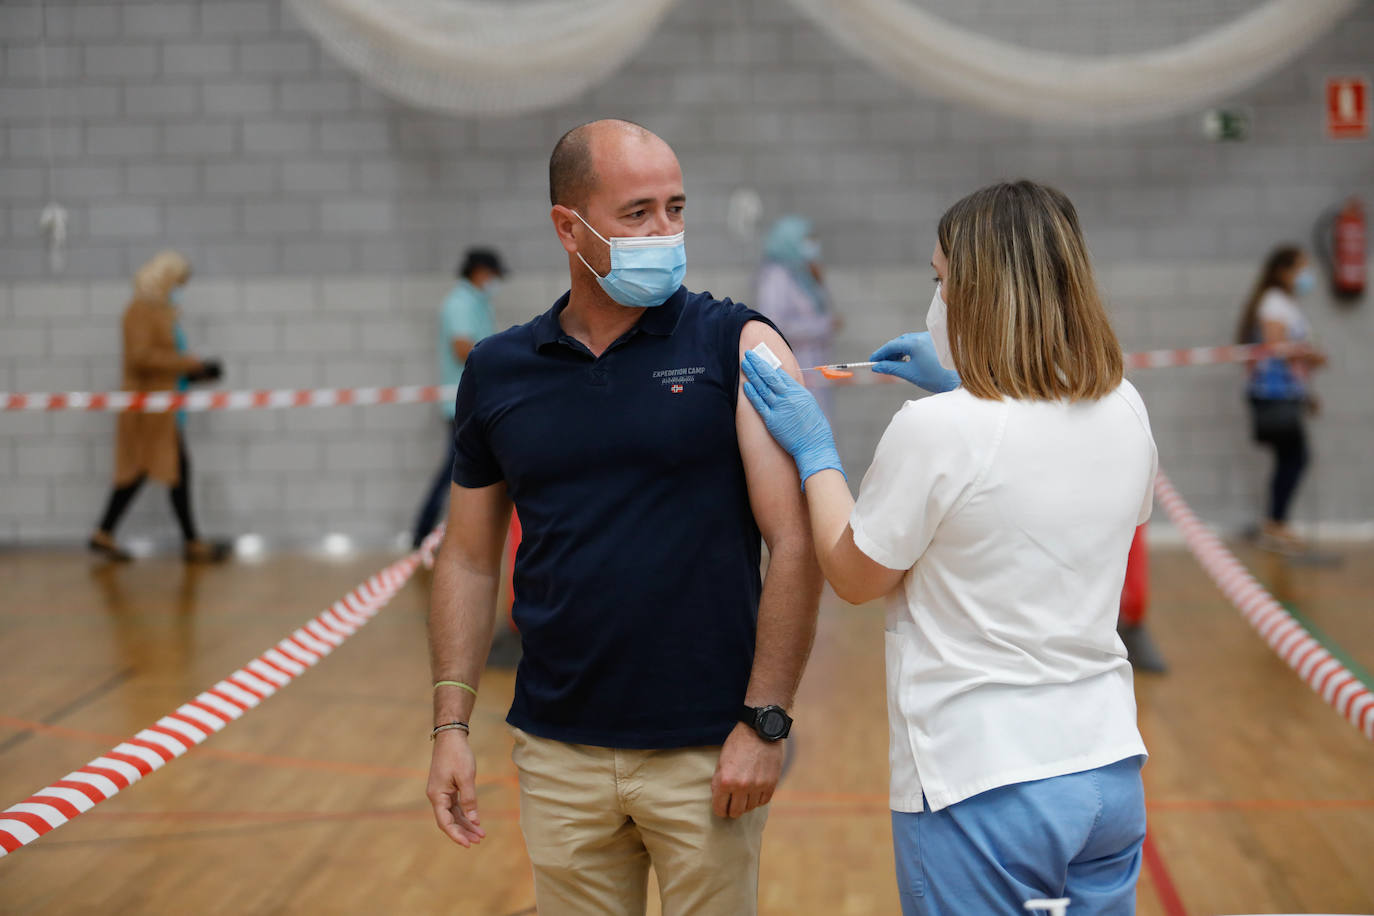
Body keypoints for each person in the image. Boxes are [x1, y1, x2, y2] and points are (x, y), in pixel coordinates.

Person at [425, 119, 822, 916]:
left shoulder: (735, 343)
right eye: (637, 213)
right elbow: (468, 558)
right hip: (557, 747)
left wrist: (766, 722)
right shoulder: (500, 371)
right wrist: (450, 724)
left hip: (708, 749)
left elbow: (796, 541)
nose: (665, 233)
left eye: (675, 208)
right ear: (568, 228)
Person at [741, 180, 1156, 914]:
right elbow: (1046, 468)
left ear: (980, 290)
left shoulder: (938, 429)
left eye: (940, 280)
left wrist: (815, 450)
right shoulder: (1124, 404)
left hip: (982, 780)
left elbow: (854, 571)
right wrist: (963, 381)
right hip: (1108, 773)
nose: (934, 298)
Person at [89, 250, 228, 563]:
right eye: (178, 281)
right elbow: (140, 358)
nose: (179, 288)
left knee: (154, 470)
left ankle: (105, 531)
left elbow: (164, 362)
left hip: (165, 408)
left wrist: (199, 372)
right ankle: (192, 542)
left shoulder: (163, 312)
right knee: (168, 469)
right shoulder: (138, 311)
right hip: (147, 411)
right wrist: (189, 364)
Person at [410, 247, 505, 549]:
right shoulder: (461, 303)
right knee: (456, 469)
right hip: (461, 404)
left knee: (464, 467)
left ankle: (440, 533)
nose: (494, 282)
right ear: (479, 272)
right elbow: (462, 347)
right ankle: (423, 534)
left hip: (479, 400)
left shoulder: (478, 302)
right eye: (492, 275)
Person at [1235, 245, 1328, 554]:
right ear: (1283, 271)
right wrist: (1309, 354)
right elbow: (1277, 347)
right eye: (1301, 268)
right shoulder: (1274, 303)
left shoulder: (1285, 303)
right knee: (1295, 456)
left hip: (1286, 394)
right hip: (1272, 395)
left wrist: (1307, 395)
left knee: (1291, 457)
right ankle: (1275, 523)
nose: (1306, 276)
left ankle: (1275, 522)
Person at [755, 215, 840, 411]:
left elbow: (822, 307)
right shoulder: (775, 277)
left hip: (815, 367)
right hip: (794, 364)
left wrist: (819, 282)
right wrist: (822, 326)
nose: (811, 245)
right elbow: (773, 324)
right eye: (806, 239)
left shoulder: (803, 274)